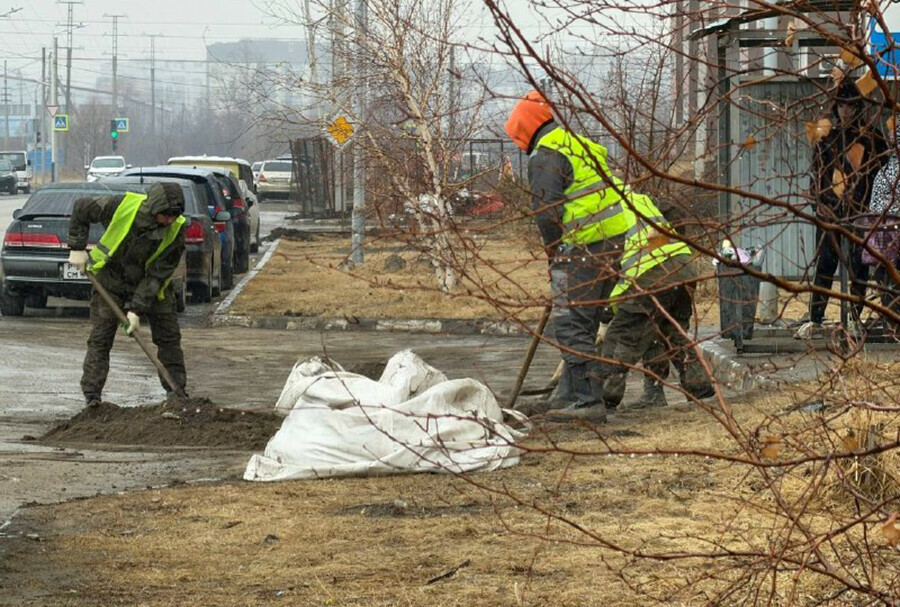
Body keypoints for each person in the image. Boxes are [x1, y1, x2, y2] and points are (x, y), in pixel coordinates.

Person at [505, 91, 636, 423]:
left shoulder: (546, 155)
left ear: (522, 130)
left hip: (583, 248)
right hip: (612, 242)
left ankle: (587, 401)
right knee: (585, 322)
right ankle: (568, 396)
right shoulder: (577, 143)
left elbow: (547, 213)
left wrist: (554, 256)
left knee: (570, 325)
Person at [586, 193, 716, 415]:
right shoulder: (634, 196)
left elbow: (603, 269)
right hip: (681, 267)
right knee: (669, 332)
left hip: (651, 274)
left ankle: (603, 400)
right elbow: (674, 212)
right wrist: (671, 248)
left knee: (620, 338)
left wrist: (605, 315)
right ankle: (699, 390)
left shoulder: (592, 207)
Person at [66, 182, 188, 406]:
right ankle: (92, 397)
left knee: (168, 338)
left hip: (152, 289)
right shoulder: (120, 206)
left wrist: (136, 310)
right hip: (110, 284)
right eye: (165, 215)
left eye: (174, 215)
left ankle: (176, 393)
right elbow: (81, 208)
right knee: (100, 340)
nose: (169, 220)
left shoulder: (177, 230)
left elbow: (158, 275)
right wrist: (77, 246)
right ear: (153, 208)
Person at [795, 80, 887, 339]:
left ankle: (855, 319)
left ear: (858, 107)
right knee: (825, 263)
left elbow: (883, 172)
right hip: (830, 211)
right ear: (835, 108)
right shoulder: (826, 138)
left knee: (859, 265)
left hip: (861, 211)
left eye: (851, 106)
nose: (846, 112)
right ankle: (815, 319)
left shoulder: (871, 137)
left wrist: (872, 205)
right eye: (842, 106)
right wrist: (820, 205)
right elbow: (817, 175)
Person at [865, 117, 900, 329]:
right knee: (887, 275)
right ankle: (893, 320)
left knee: (886, 275)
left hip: (886, 228)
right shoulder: (887, 171)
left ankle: (892, 320)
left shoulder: (886, 172)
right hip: (887, 228)